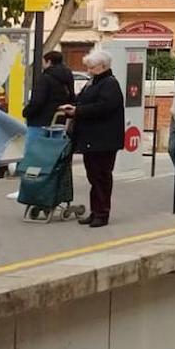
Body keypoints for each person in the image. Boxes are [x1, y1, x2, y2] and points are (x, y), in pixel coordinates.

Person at [59, 49, 123, 227]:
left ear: (103, 66)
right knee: (93, 177)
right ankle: (95, 211)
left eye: (92, 67)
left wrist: (78, 111)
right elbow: (84, 101)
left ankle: (102, 213)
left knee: (101, 176)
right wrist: (72, 106)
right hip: (92, 138)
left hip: (103, 140)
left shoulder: (110, 84)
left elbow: (104, 107)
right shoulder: (94, 82)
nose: (88, 70)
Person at [23, 51, 75, 147]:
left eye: (43, 62)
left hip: (39, 121)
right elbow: (72, 97)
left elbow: (37, 101)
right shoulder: (68, 77)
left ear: (49, 62)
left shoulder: (45, 78)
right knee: (53, 153)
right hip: (58, 121)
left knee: (33, 153)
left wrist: (26, 112)